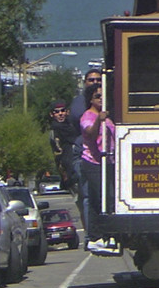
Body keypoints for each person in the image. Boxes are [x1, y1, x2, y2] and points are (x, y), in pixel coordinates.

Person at [79, 83, 117, 255]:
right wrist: (98, 121)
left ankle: (109, 235)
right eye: (97, 97)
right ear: (90, 99)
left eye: (103, 96)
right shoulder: (88, 116)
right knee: (98, 198)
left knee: (109, 198)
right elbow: (90, 134)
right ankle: (94, 237)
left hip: (108, 162)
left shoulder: (107, 117)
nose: (101, 99)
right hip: (93, 162)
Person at [67, 69, 102, 221]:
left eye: (98, 79)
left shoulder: (107, 100)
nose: (95, 82)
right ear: (84, 82)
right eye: (91, 80)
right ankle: (91, 236)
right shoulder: (81, 106)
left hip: (103, 155)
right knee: (88, 195)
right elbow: (85, 127)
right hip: (86, 154)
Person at [49, 101, 78, 190]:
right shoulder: (55, 130)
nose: (60, 114)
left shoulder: (71, 125)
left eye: (62, 111)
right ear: (52, 114)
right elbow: (58, 154)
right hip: (69, 166)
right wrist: (64, 174)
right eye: (57, 112)